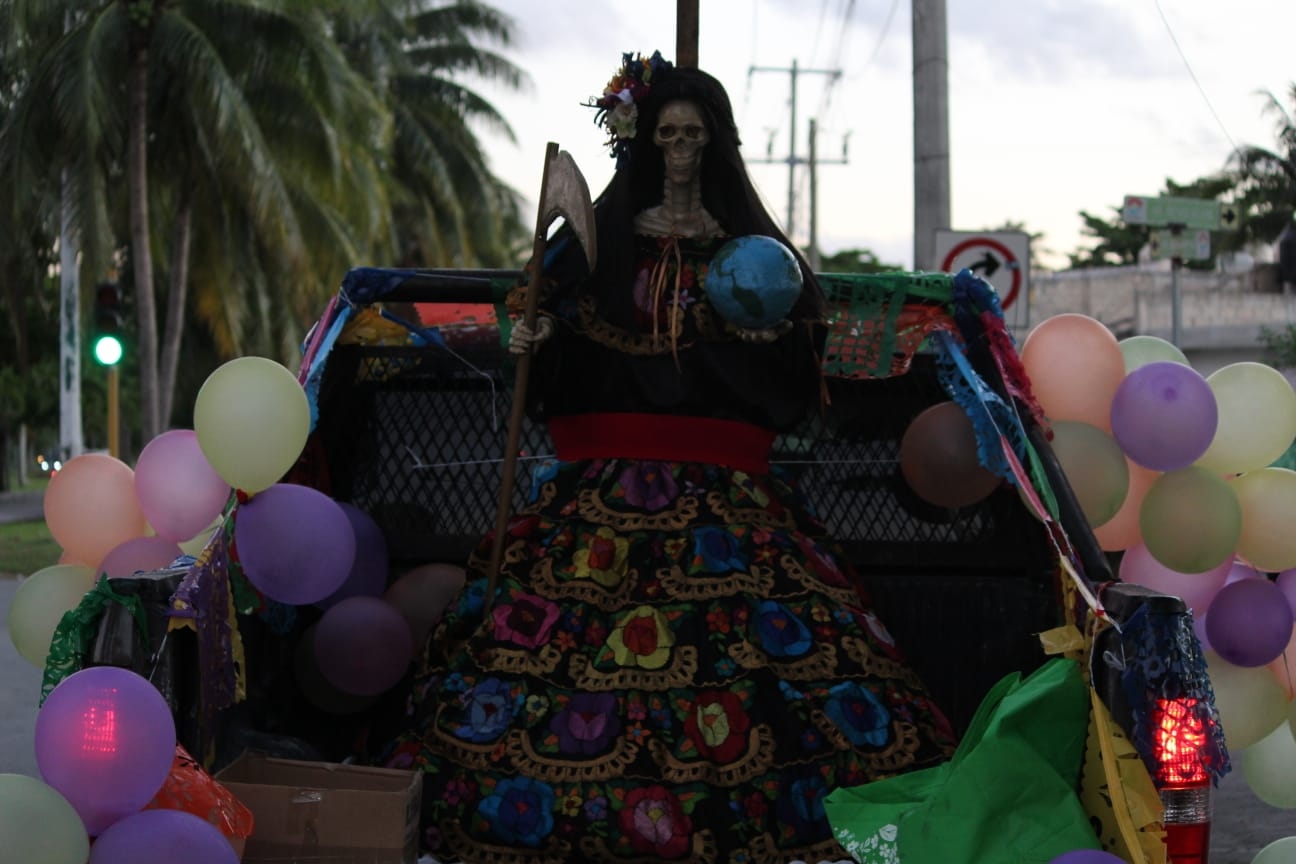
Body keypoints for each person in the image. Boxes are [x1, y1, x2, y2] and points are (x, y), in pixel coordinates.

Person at [379, 52, 956, 863]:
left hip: (735, 506)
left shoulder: (755, 254)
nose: (680, 150)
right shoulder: (596, 247)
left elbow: (795, 382)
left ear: (715, 143)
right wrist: (533, 342)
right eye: (667, 133)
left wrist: (769, 340)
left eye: (695, 135)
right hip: (592, 507)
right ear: (644, 140)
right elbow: (547, 348)